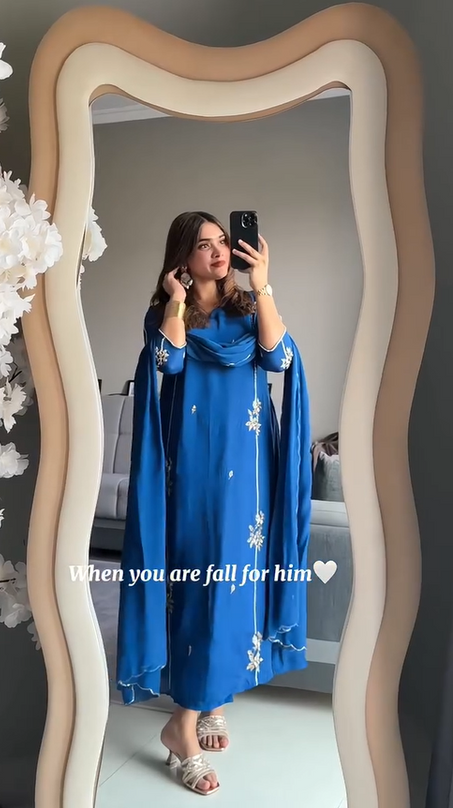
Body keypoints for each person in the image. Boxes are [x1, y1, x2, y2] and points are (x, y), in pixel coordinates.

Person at [116, 211, 312, 795]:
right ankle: (181, 727)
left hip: (249, 476)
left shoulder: (249, 309)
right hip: (194, 474)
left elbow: (278, 359)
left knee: (237, 584)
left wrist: (264, 284)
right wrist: (177, 300)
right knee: (201, 586)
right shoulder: (166, 314)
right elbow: (168, 362)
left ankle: (211, 700)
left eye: (222, 241)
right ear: (183, 257)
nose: (218, 251)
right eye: (203, 245)